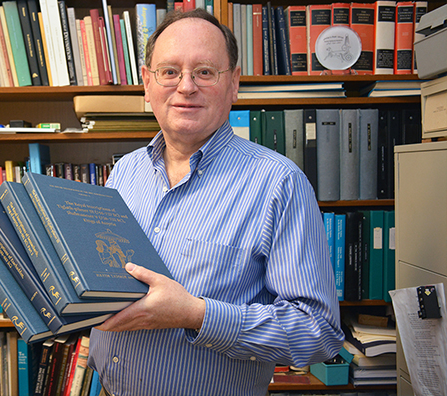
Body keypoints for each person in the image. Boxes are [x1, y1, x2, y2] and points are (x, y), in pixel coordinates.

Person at [87, 8, 344, 396]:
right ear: (147, 83)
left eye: (205, 71)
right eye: (169, 71)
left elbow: (318, 333)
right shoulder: (125, 171)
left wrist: (196, 314)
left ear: (234, 83)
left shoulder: (279, 184)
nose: (185, 86)